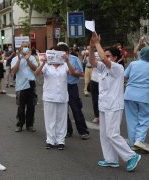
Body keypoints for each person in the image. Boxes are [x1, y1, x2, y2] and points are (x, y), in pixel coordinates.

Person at [89, 33, 141, 172]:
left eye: (108, 56)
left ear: (115, 58)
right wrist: (91, 46)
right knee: (105, 134)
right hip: (104, 105)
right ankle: (111, 159)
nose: (104, 58)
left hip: (114, 106)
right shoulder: (103, 68)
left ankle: (131, 156)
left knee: (112, 134)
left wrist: (98, 43)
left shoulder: (118, 68)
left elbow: (104, 60)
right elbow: (93, 61)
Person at [35, 50, 76, 150]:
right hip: (49, 96)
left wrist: (67, 61)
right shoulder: (46, 65)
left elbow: (73, 72)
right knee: (50, 119)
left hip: (62, 96)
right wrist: (43, 63)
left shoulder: (65, 65)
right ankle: (50, 140)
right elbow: (36, 73)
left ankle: (60, 141)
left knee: (61, 120)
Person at [57, 42, 89, 140]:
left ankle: (83, 131)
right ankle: (67, 131)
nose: (61, 55)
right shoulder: (56, 60)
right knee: (62, 111)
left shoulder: (74, 59)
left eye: (63, 52)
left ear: (68, 52)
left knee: (76, 109)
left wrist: (72, 71)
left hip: (71, 87)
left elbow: (81, 74)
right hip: (60, 87)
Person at [124, 46, 149, 152]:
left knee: (131, 119)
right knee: (144, 118)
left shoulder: (133, 64)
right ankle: (139, 140)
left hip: (129, 94)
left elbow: (125, 76)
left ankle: (132, 143)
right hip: (144, 95)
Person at [11, 41, 38, 132]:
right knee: (21, 107)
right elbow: (14, 71)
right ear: (20, 48)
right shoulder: (15, 58)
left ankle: (29, 125)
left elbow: (35, 69)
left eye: (27, 46)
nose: (25, 48)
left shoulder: (32, 58)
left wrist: (27, 59)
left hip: (31, 83)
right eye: (23, 47)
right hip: (20, 85)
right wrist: (19, 59)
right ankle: (20, 124)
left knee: (31, 106)